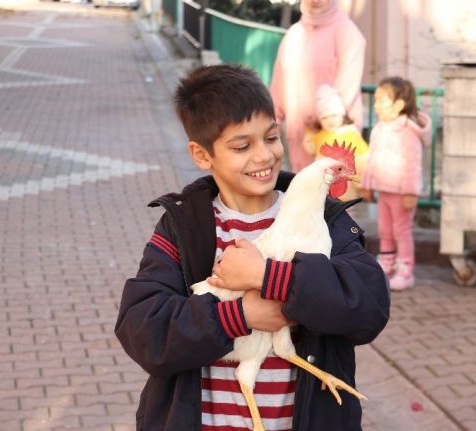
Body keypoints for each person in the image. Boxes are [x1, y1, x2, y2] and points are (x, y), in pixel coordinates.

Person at [115, 64, 390, 431]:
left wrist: (270, 277)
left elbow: (369, 307)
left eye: (272, 137)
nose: (263, 156)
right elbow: (143, 329)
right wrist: (238, 315)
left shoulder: (328, 221)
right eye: (242, 146)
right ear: (202, 154)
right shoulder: (186, 227)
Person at [270, 0, 366, 173]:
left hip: (334, 138)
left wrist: (318, 123)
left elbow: (347, 87)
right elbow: (277, 90)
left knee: (333, 188)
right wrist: (269, 125)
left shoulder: (346, 32)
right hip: (299, 139)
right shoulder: (293, 35)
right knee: (303, 186)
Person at [361, 77, 432, 291]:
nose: (376, 105)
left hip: (402, 193)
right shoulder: (379, 128)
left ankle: (405, 270)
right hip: (384, 190)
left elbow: (412, 164)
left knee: (401, 231)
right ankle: (386, 264)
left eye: (381, 101)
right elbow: (371, 159)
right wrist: (367, 184)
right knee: (384, 229)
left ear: (399, 104)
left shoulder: (407, 130)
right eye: (376, 100)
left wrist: (410, 191)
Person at [306, 84, 369, 201]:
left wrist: (362, 185)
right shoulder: (321, 135)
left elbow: (362, 161)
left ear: (342, 115)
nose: (330, 121)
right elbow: (310, 148)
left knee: (347, 210)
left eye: (334, 115)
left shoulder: (351, 135)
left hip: (347, 191)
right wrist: (309, 132)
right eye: (324, 118)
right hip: (324, 190)